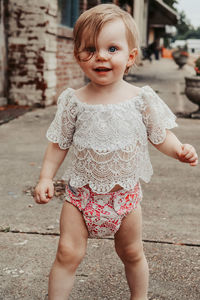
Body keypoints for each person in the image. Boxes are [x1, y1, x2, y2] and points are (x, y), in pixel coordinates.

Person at [34, 4, 198, 300]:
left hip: (125, 198)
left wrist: (179, 151)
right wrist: (46, 177)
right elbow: (59, 142)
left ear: (130, 56)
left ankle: (140, 297)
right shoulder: (74, 101)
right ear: (78, 55)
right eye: (90, 49)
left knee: (132, 252)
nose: (101, 57)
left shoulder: (141, 99)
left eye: (112, 48)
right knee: (67, 253)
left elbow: (160, 135)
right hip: (80, 197)